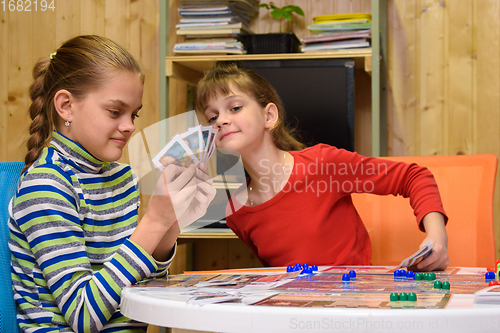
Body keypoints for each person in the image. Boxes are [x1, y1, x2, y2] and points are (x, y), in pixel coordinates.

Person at [9, 35, 215, 332]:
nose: (130, 125)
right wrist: (154, 222)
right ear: (66, 106)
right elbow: (83, 316)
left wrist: (171, 226)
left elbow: (136, 291)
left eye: (134, 114)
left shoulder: (122, 178)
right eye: (115, 111)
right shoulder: (45, 185)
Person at [195, 62, 449, 272]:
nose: (222, 121)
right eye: (212, 117)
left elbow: (414, 176)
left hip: (352, 311)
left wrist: (437, 238)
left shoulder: (324, 164)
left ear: (269, 116)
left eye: (235, 107)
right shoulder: (235, 212)